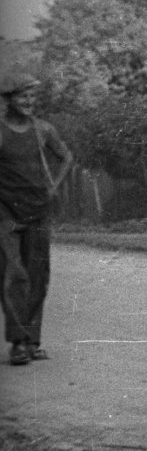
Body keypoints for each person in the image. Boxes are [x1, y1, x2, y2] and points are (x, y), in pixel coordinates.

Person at [0, 72, 73, 365]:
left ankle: (32, 341)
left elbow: (66, 157)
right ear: (7, 100)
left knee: (38, 276)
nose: (28, 101)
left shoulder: (43, 130)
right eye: (22, 96)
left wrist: (54, 187)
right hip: (5, 212)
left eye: (32, 96)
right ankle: (18, 342)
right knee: (14, 273)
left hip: (38, 212)